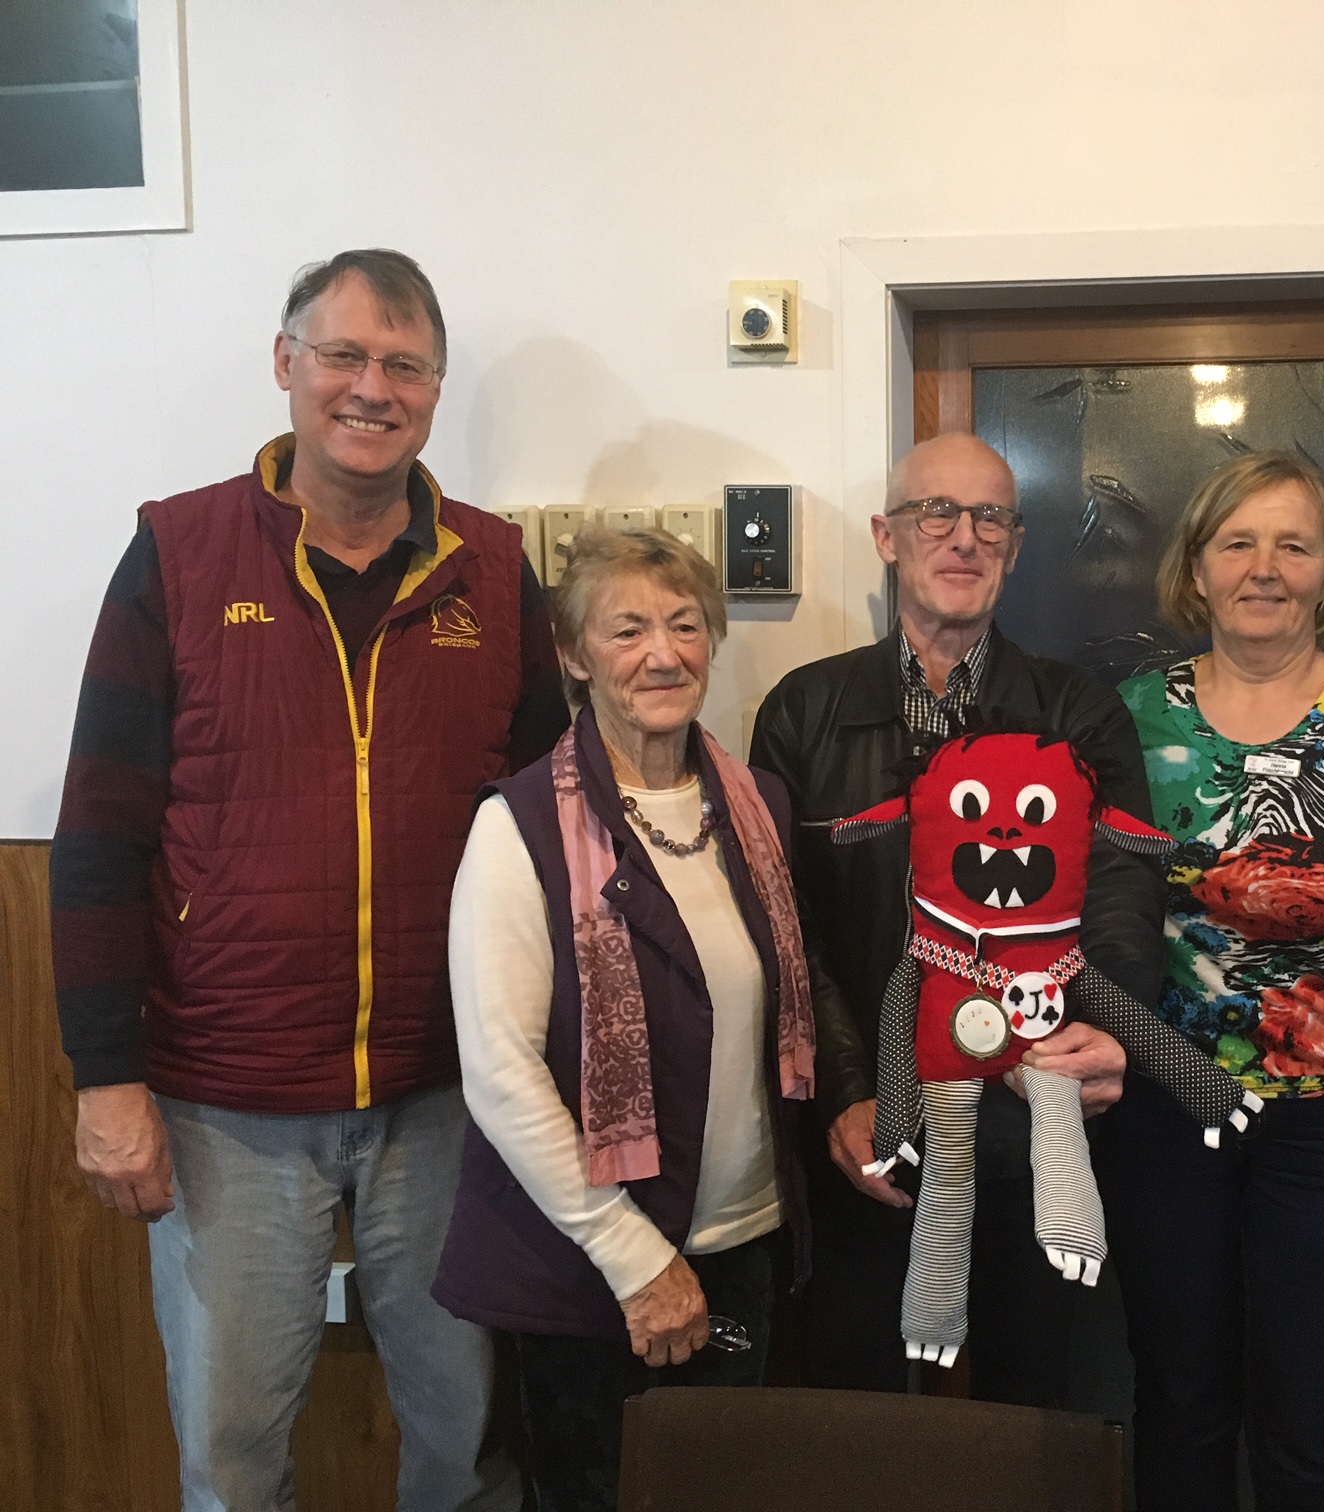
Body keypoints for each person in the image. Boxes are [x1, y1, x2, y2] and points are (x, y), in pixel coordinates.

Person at [48, 248, 564, 1511]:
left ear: (435, 392)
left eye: (404, 365)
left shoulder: (493, 574)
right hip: (228, 1101)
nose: (370, 388)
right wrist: (107, 1080)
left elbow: (556, 832)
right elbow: (102, 834)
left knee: (469, 1446)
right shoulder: (177, 554)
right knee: (231, 1459)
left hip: (450, 1095)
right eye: (342, 355)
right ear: (286, 366)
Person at [747, 432, 1163, 1404]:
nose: (963, 537)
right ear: (890, 536)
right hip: (864, 1141)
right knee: (861, 1432)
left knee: (1037, 1420)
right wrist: (848, 1088)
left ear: (1015, 548)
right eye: (938, 512)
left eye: (989, 519)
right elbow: (785, 924)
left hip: (1032, 1127)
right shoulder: (802, 711)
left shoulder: (1080, 714)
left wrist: (1104, 1027)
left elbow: (1122, 892)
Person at [432, 525, 817, 1511]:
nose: (663, 653)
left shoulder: (757, 806)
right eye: (628, 628)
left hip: (742, 1248)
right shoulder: (517, 824)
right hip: (591, 1266)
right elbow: (501, 1075)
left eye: (686, 625)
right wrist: (638, 1262)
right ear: (573, 655)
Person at [1106, 450, 1324, 1511]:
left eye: (1293, 544)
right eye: (1238, 542)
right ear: (1198, 569)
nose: (1264, 567)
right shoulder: (1127, 718)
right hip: (1166, 1113)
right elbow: (1085, 925)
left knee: (1309, 1424)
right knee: (1177, 1406)